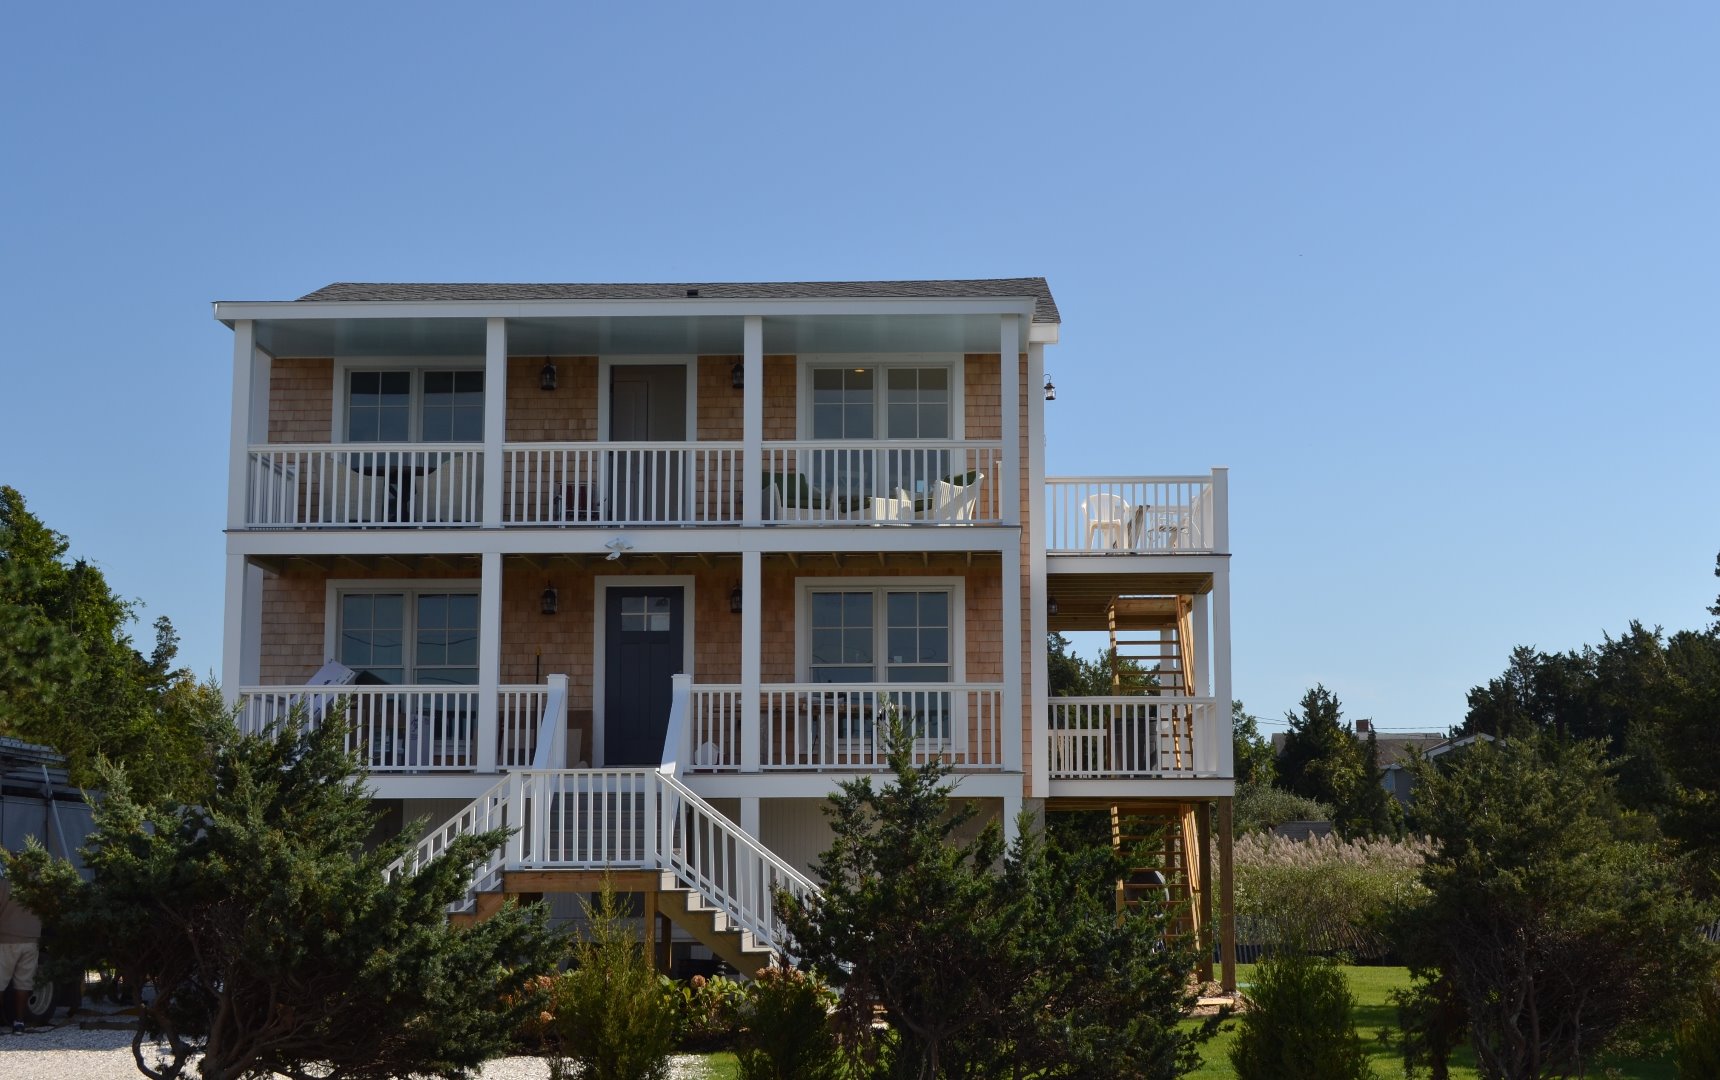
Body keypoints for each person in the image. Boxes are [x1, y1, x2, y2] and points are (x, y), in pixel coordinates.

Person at [0, 866, 42, 1035]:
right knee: (24, 983)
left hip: (7, 938)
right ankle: (19, 1022)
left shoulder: (5, 883)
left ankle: (1, 1021)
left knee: (0, 982)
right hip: (32, 938)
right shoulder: (39, 885)